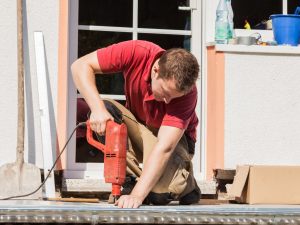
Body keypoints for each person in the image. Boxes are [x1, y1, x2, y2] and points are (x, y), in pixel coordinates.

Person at [71, 40, 201, 208]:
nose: (168, 101)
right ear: (156, 71)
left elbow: (164, 147)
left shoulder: (188, 94)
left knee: (158, 197)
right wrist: (97, 109)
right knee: (107, 110)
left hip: (175, 140)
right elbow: (80, 66)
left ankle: (187, 184)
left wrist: (137, 196)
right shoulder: (137, 52)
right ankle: (130, 180)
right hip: (140, 127)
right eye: (167, 93)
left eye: (174, 97)